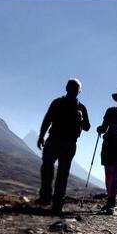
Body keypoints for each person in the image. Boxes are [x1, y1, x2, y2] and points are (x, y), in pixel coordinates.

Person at [35, 79, 90, 214]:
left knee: (55, 171)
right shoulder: (62, 103)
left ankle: (52, 200)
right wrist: (41, 136)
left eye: (75, 88)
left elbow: (87, 127)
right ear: (67, 88)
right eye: (72, 88)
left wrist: (81, 119)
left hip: (62, 142)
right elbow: (48, 119)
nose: (73, 90)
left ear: (78, 91)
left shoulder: (75, 106)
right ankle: (51, 200)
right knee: (54, 171)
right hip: (60, 142)